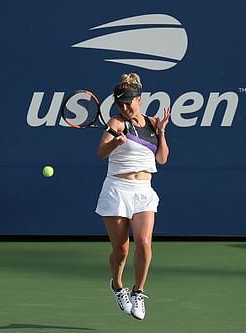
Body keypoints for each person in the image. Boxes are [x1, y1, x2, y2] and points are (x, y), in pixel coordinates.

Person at [95, 73, 170, 320]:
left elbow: (161, 159)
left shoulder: (152, 122)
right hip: (117, 189)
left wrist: (161, 133)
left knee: (145, 242)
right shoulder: (115, 123)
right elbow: (100, 153)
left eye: (128, 102)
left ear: (139, 99)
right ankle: (117, 286)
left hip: (144, 192)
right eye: (120, 104)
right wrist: (114, 143)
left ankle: (138, 291)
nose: (124, 108)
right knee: (121, 250)